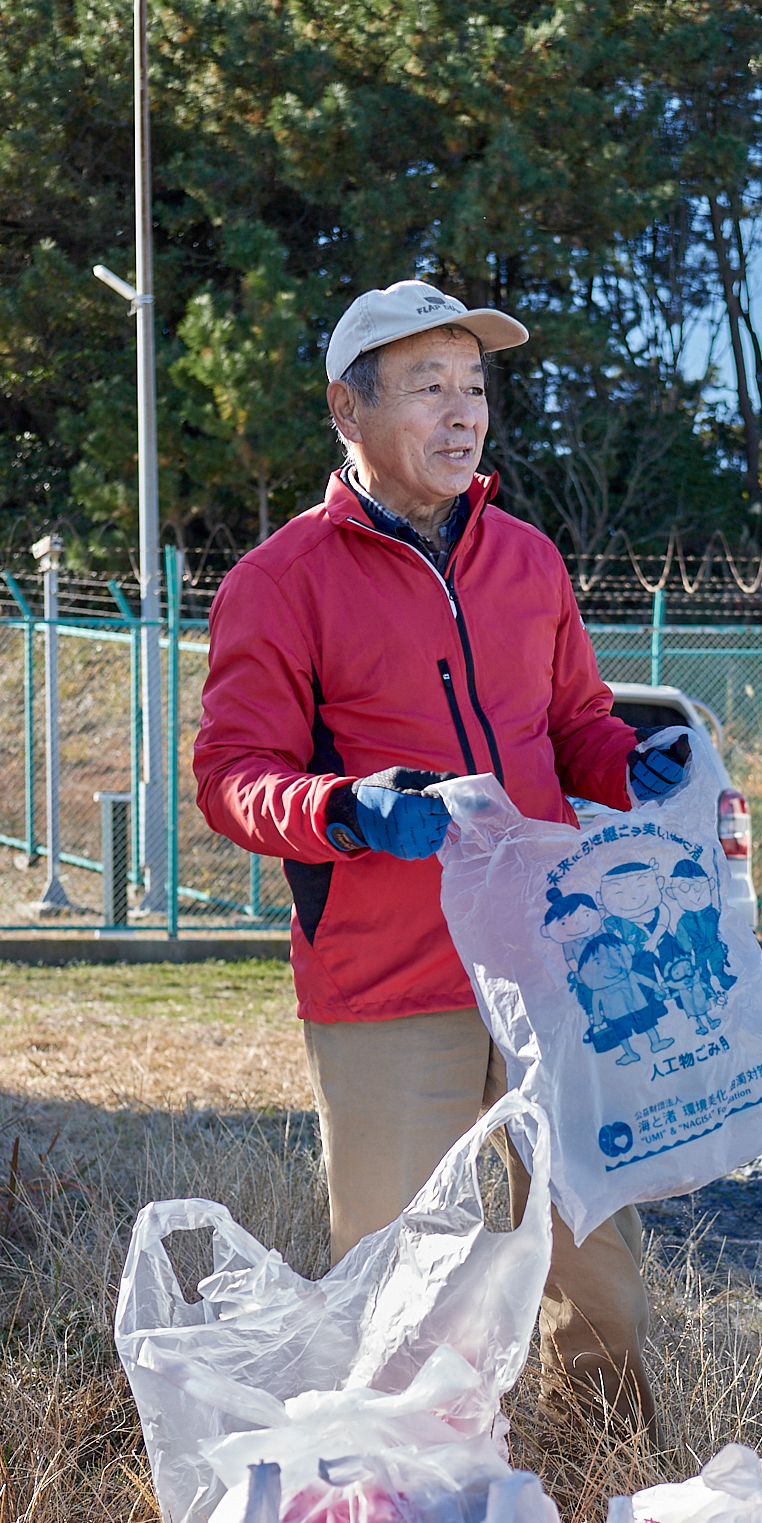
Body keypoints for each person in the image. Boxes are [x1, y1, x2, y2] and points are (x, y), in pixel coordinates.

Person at [192, 278, 692, 1413]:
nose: (463, 413)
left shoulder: (527, 559)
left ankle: (600, 1490)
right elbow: (231, 778)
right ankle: (402, 1521)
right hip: (385, 980)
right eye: (430, 387)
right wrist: (345, 808)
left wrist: (625, 761)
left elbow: (571, 724)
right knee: (400, 1283)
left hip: (544, 961)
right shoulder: (279, 582)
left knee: (598, 1271)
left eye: (474, 386)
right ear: (347, 409)